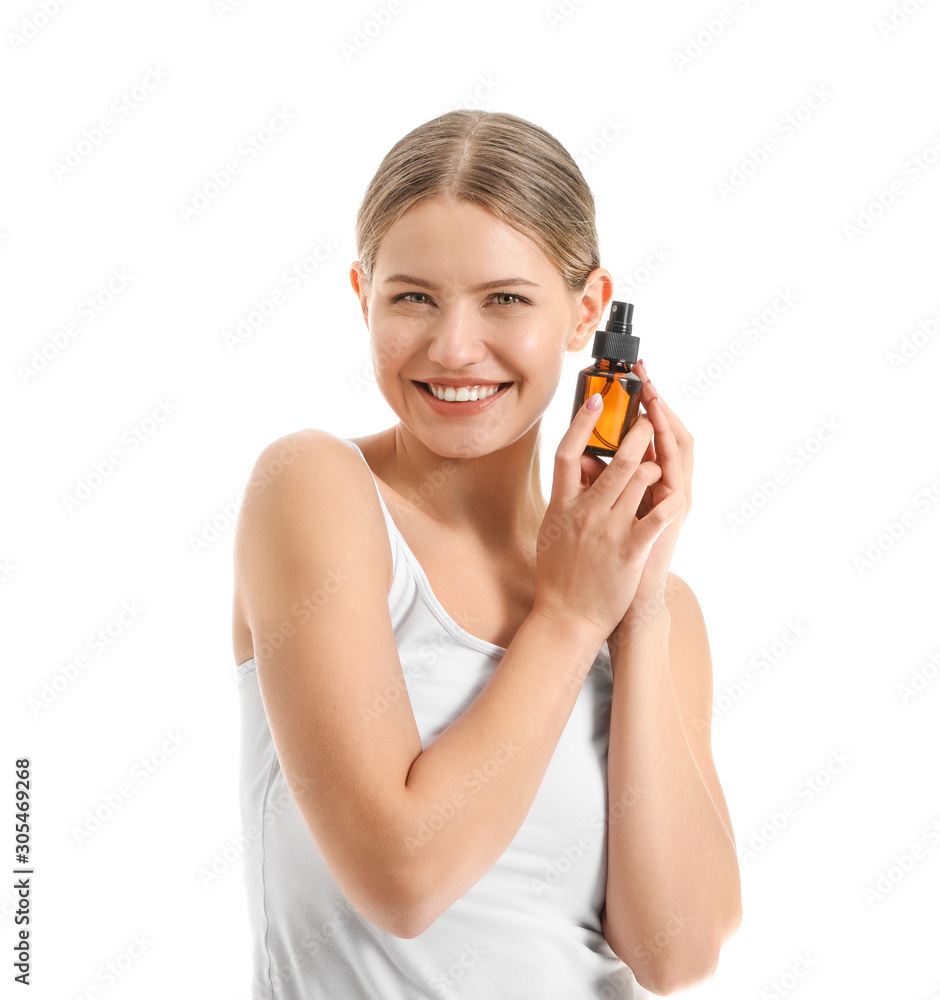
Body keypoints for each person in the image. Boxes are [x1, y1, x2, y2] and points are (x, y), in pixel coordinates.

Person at [232, 109, 742, 999]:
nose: (454, 347)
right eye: (412, 297)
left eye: (505, 298)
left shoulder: (655, 608)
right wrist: (572, 614)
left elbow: (677, 951)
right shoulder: (314, 490)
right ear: (363, 296)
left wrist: (639, 599)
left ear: (587, 310)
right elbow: (405, 878)